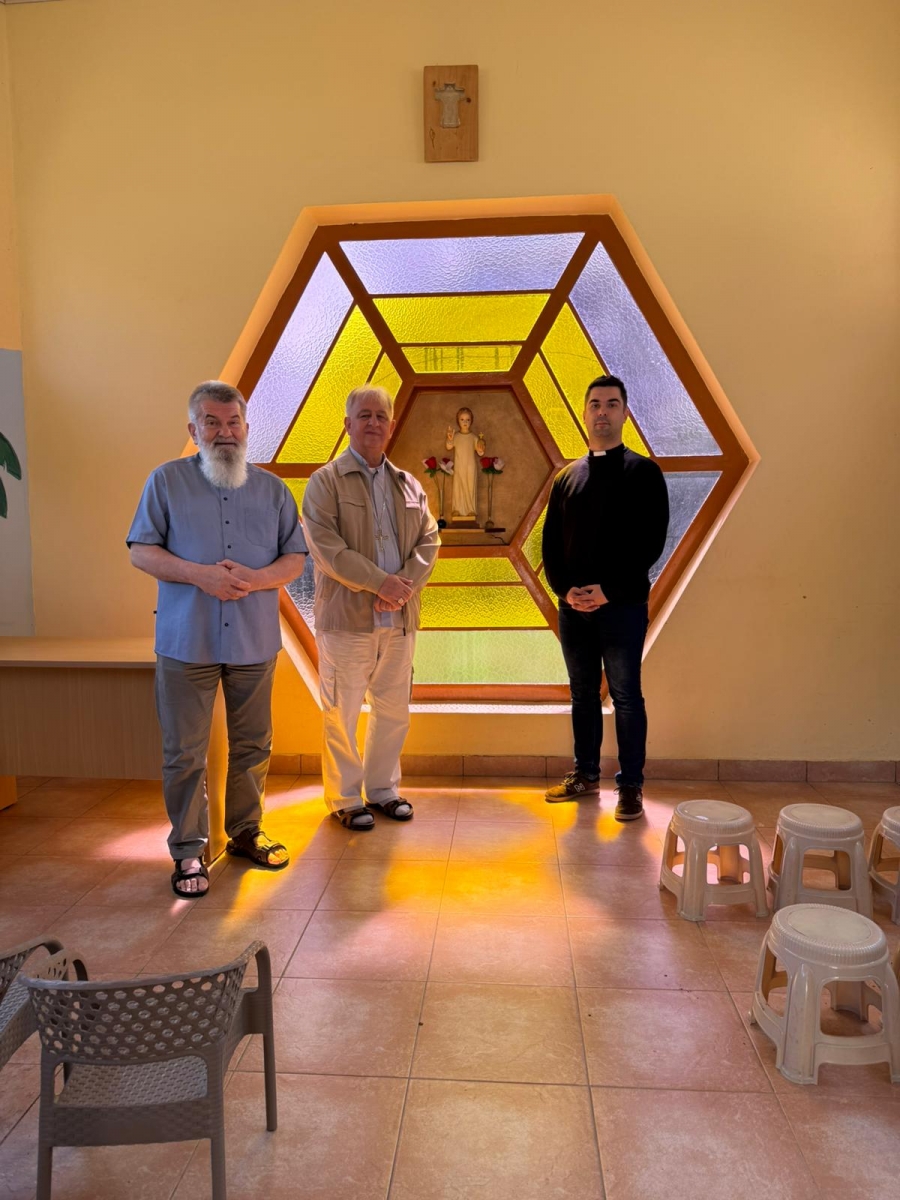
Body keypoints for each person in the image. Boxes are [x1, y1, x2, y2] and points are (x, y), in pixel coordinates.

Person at [127, 381, 308, 897]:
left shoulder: (273, 490)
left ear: (246, 428)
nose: (224, 432)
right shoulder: (165, 482)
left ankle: (246, 831)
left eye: (233, 423)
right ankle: (188, 850)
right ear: (194, 429)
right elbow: (141, 550)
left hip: (254, 640)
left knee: (253, 744)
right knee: (184, 751)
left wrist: (256, 578)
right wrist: (199, 575)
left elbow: (294, 559)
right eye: (212, 422)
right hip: (187, 640)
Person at [301, 385, 439, 830]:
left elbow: (429, 541)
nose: (373, 423)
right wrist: (382, 583)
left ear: (391, 426)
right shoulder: (324, 483)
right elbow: (327, 549)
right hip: (347, 621)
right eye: (364, 415)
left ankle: (383, 791)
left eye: (381, 416)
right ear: (348, 424)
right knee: (341, 712)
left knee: (393, 710)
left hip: (398, 620)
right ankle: (344, 798)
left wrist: (401, 589)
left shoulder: (409, 484)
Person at [543, 375, 669, 820]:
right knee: (582, 695)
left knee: (626, 695)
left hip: (623, 606)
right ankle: (585, 774)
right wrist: (566, 591)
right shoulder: (566, 478)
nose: (602, 411)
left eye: (612, 404)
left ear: (625, 413)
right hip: (574, 609)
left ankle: (630, 786)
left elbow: (651, 543)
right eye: (595, 403)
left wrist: (607, 591)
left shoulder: (644, 473)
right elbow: (550, 547)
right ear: (584, 413)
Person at [445, 407, 485, 521]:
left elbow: (480, 453)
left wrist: (481, 446)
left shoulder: (473, 437)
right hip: (459, 466)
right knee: (458, 487)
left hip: (470, 466)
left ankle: (471, 510)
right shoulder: (456, 436)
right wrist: (450, 439)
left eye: (468, 419)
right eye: (462, 419)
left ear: (471, 421)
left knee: (470, 486)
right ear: (458, 421)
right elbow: (449, 446)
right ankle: (457, 509)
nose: (465, 422)